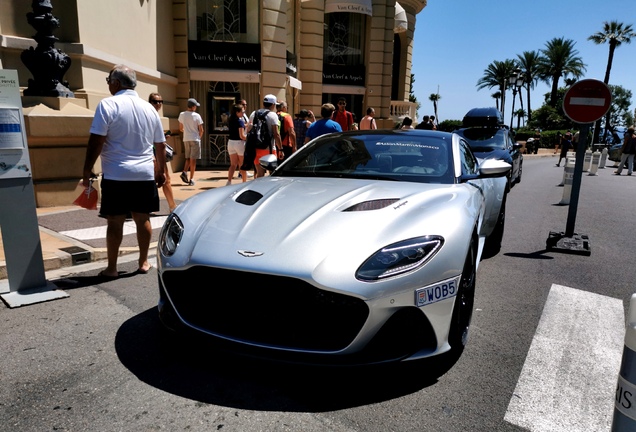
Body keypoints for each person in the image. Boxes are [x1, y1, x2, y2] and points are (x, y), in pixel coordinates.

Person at [82, 64, 166, 278]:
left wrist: (87, 169)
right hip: (144, 174)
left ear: (116, 83)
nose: (109, 84)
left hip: (116, 174)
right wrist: (161, 171)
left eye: (109, 80)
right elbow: (161, 144)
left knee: (115, 220)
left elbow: (96, 141)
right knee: (143, 218)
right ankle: (144, 261)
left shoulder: (108, 105)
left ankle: (112, 268)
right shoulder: (149, 109)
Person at [148, 92, 177, 211]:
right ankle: (172, 206)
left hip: (154, 152)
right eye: (155, 101)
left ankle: (172, 206)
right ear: (150, 102)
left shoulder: (152, 115)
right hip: (152, 153)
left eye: (160, 101)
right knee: (164, 179)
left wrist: (163, 137)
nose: (158, 104)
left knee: (164, 179)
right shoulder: (151, 116)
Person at [247, 94, 282, 178]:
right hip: (269, 149)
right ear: (273, 104)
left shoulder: (254, 114)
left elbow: (249, 130)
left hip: (256, 148)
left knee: (259, 174)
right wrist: (280, 149)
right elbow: (276, 134)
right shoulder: (273, 115)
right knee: (272, 174)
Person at [178, 98, 204, 185]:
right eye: (195, 106)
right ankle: (191, 179)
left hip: (186, 138)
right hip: (195, 138)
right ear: (192, 107)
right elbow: (201, 130)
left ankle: (185, 171)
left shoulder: (182, 114)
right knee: (193, 160)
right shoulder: (197, 116)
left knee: (188, 158)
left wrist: (186, 131)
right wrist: (199, 137)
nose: (196, 107)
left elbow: (181, 128)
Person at [227, 103, 247, 185]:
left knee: (233, 164)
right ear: (237, 112)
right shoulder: (240, 121)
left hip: (231, 142)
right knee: (242, 165)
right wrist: (248, 138)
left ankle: (229, 181)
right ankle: (244, 182)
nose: (243, 113)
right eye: (242, 111)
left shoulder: (230, 120)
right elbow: (242, 136)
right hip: (239, 143)